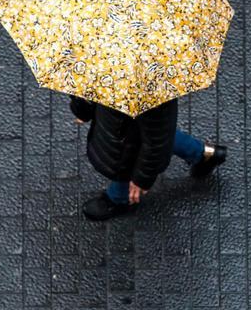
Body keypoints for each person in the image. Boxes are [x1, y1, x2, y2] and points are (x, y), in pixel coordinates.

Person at [69, 94, 227, 221]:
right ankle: (204, 154)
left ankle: (118, 199)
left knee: (125, 164)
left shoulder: (152, 96)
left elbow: (156, 141)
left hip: (128, 140)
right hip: (118, 127)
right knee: (161, 141)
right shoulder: (105, 65)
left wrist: (141, 179)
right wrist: (83, 107)